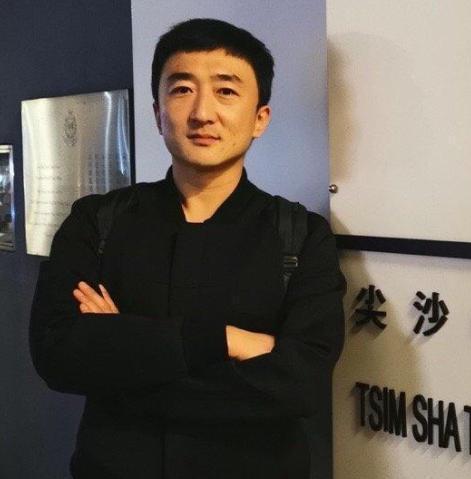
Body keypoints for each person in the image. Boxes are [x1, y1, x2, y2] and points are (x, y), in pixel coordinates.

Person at [29, 18, 345, 479]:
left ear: (260, 118)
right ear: (158, 113)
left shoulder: (300, 236)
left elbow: (301, 385)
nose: (202, 112)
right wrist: (228, 341)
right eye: (182, 89)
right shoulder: (97, 221)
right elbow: (57, 356)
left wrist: (125, 352)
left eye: (226, 91)